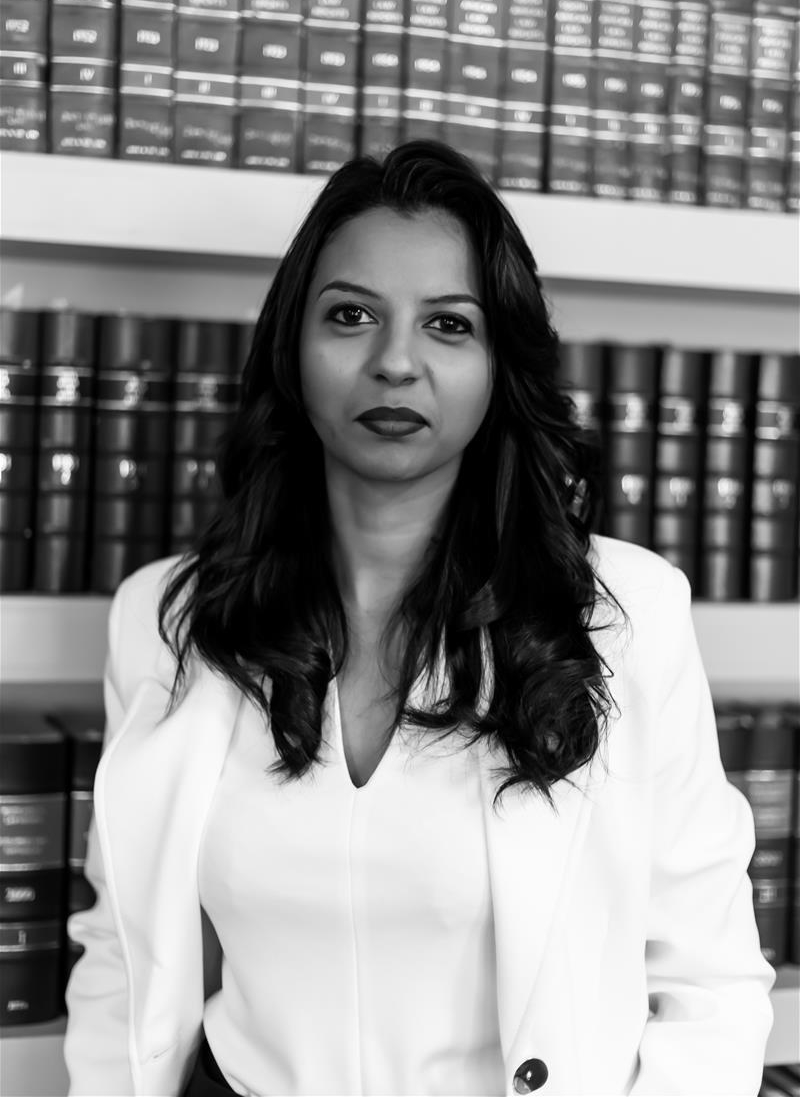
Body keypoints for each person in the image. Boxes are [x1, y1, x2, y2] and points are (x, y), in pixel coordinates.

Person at [64, 140, 774, 1097]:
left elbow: (708, 984)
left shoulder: (623, 615)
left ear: (498, 363)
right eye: (350, 315)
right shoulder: (166, 620)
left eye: (448, 324)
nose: (395, 362)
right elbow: (122, 953)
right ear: (292, 347)